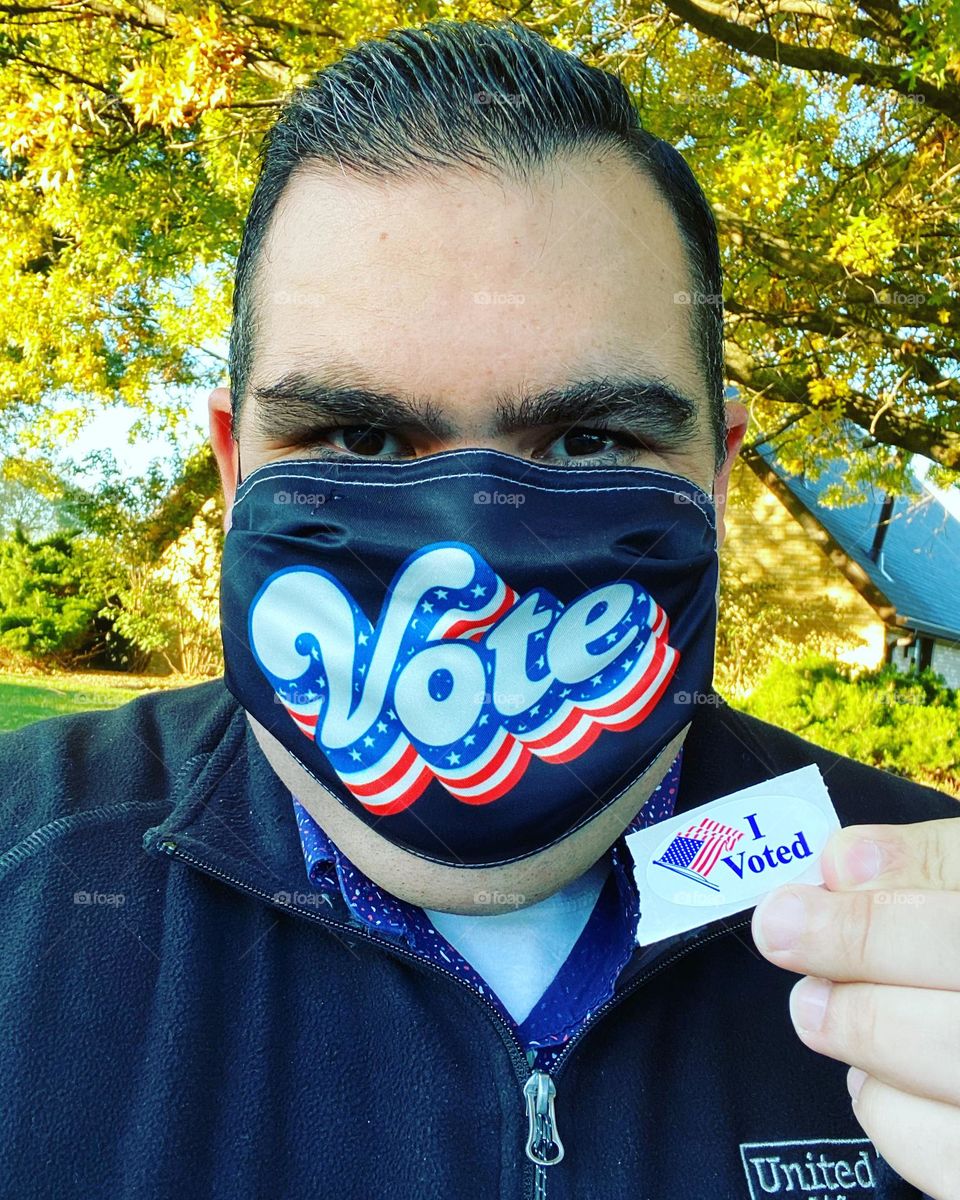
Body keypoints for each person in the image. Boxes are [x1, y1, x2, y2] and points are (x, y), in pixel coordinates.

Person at [1, 19, 956, 1200]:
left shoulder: (915, 896)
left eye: (591, 439)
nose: (467, 558)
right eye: (360, 436)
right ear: (236, 468)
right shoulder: (19, 875)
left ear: (716, 480)